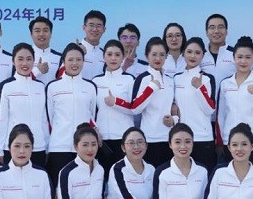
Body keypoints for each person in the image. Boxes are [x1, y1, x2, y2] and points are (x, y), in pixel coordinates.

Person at [45, 43, 98, 188]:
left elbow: (91, 115)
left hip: (83, 148)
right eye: (70, 59)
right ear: (64, 62)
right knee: (59, 189)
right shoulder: (52, 87)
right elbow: (49, 118)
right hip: (59, 147)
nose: (75, 63)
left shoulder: (90, 87)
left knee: (82, 188)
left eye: (79, 59)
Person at [216, 36, 253, 168]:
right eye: (240, 57)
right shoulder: (225, 83)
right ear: (234, 58)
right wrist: (221, 141)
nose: (243, 61)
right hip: (231, 142)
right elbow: (221, 115)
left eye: (248, 57)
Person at [0, 43, 49, 167]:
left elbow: (43, 119)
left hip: (38, 147)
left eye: (29, 59)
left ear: (33, 61)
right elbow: (1, 120)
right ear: (13, 61)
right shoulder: (6, 86)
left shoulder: (40, 86)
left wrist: (47, 146)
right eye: (20, 59)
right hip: (13, 147)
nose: (25, 63)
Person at [172, 37, 218, 172]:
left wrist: (200, 88)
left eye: (197, 53)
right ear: (183, 53)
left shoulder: (208, 78)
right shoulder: (176, 78)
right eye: (189, 52)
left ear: (203, 55)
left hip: (202, 138)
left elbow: (210, 109)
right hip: (182, 138)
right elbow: (173, 104)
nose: (193, 56)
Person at [131, 37, 176, 167]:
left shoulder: (170, 80)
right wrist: (151, 88)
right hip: (149, 138)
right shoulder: (142, 79)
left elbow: (174, 107)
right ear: (147, 56)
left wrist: (174, 119)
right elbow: (135, 109)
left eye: (162, 55)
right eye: (154, 54)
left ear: (166, 56)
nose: (158, 58)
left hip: (169, 138)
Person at [92, 39, 135, 174]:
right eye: (109, 54)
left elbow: (135, 108)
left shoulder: (129, 79)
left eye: (117, 54)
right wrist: (94, 130)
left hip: (124, 137)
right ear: (103, 56)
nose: (113, 58)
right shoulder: (96, 81)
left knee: (123, 175)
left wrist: (116, 102)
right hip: (102, 139)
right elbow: (91, 111)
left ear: (123, 56)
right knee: (103, 176)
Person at [201, 13, 235, 87]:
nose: (216, 31)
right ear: (206, 33)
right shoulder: (200, 54)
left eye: (220, 27)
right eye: (212, 27)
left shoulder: (236, 54)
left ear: (226, 32)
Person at [29, 16, 62, 85]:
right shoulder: (24, 56)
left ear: (51, 33)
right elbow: (19, 80)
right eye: (37, 31)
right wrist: (37, 71)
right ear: (31, 34)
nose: (41, 34)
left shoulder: (60, 57)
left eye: (45, 30)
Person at [78, 10, 107, 80]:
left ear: (104, 29)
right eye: (91, 25)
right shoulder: (73, 51)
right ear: (84, 27)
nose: (94, 29)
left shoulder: (106, 55)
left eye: (98, 26)